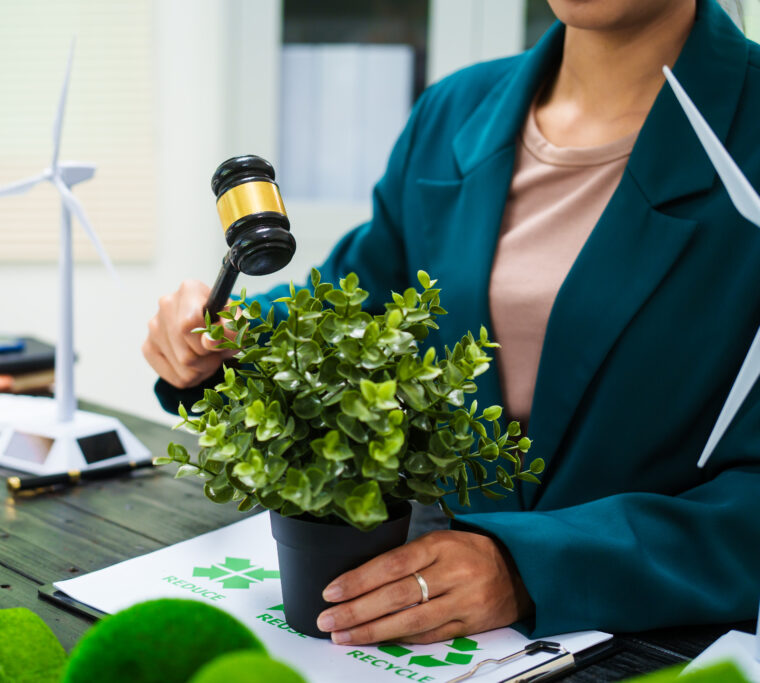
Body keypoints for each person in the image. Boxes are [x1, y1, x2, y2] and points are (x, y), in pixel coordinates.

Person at [143, 0, 760, 643]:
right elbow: (357, 306)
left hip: (666, 642)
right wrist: (224, 342)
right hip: (424, 623)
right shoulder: (456, 111)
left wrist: (533, 566)